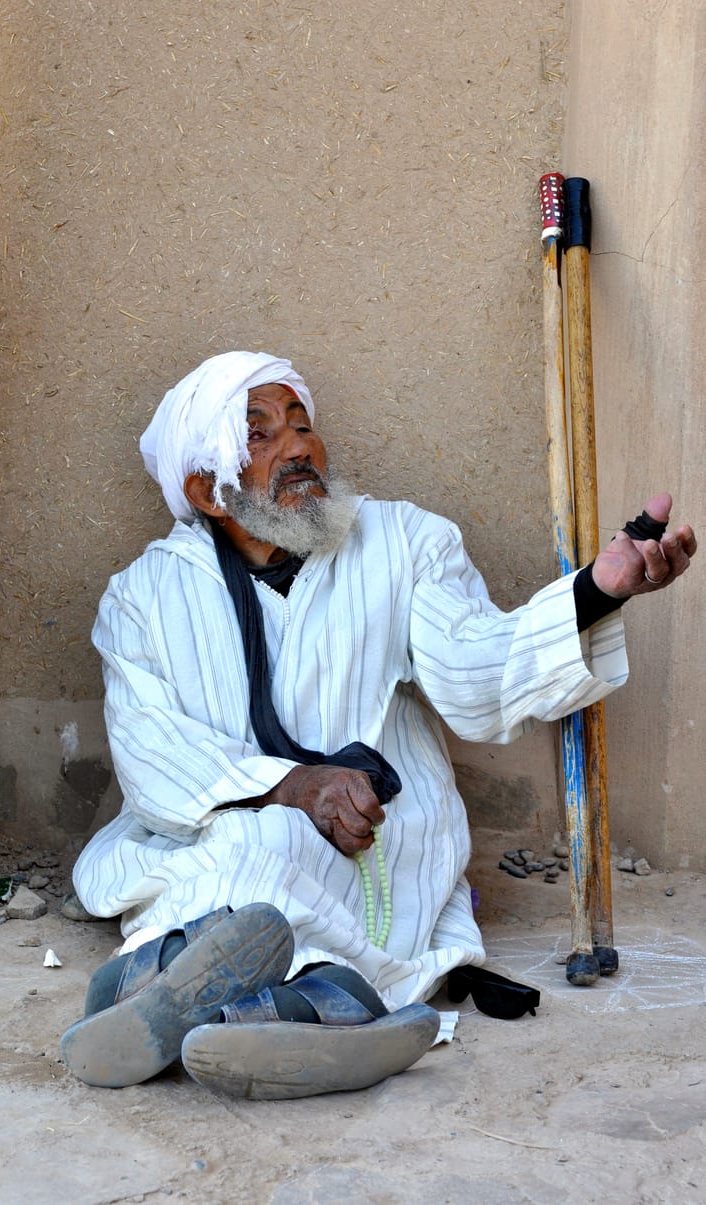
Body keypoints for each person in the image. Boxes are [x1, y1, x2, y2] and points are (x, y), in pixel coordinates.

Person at [60, 350, 697, 1099]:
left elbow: (477, 669)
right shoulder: (141, 598)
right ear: (205, 489)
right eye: (261, 434)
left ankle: (169, 989)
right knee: (251, 845)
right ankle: (304, 1005)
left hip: (380, 841)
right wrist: (295, 787)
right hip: (220, 834)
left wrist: (594, 592)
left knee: (259, 870)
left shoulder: (402, 542)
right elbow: (150, 758)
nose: (297, 446)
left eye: (302, 426)